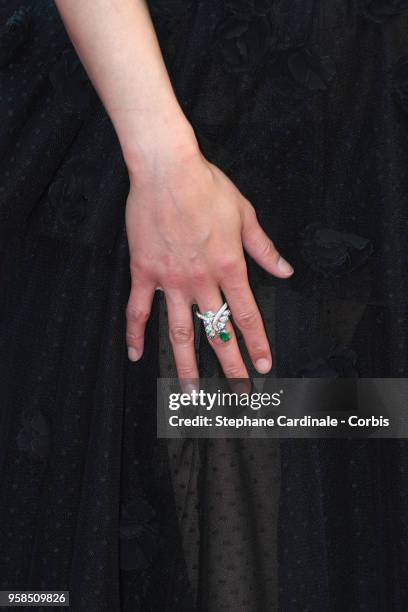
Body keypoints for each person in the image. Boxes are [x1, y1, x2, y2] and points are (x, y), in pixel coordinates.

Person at [0, 1, 407, 610]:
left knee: (356, 442)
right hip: (187, 113)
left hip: (369, 122)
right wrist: (162, 161)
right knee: (221, 445)